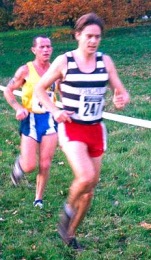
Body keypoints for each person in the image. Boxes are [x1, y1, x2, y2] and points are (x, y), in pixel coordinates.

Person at [35, 13, 130, 249]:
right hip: (72, 128)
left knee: (88, 192)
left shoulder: (105, 61)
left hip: (96, 129)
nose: (93, 41)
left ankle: (70, 234)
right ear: (78, 35)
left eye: (97, 37)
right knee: (85, 176)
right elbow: (39, 88)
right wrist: (54, 110)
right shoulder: (64, 61)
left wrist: (121, 97)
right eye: (88, 36)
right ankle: (67, 208)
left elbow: (119, 89)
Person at [4, 35, 58, 209]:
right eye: (41, 47)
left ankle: (38, 198)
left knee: (45, 163)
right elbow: (9, 90)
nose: (46, 50)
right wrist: (18, 108)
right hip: (30, 119)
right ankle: (20, 166)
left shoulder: (56, 70)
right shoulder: (25, 70)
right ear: (33, 50)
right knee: (29, 166)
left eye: (48, 46)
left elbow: (62, 92)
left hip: (49, 119)